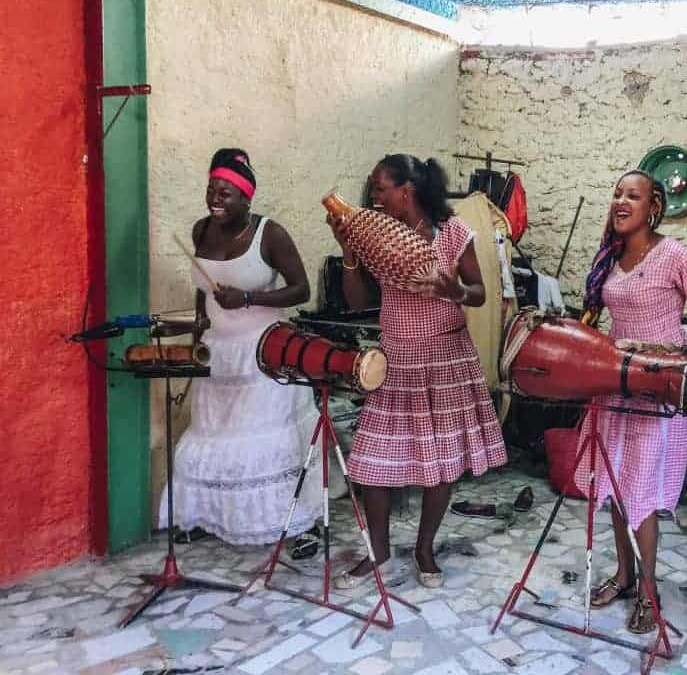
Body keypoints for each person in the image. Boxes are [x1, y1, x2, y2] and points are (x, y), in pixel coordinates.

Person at [327, 153, 507, 589]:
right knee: (370, 463)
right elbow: (355, 302)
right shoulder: (376, 235)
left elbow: (481, 293)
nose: (373, 196)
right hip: (397, 360)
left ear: (406, 190)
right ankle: (380, 549)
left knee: (441, 464)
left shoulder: (451, 232)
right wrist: (348, 251)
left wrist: (455, 289)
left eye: (380, 188)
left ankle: (425, 549)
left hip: (446, 361)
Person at [577, 170, 687, 633]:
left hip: (659, 386)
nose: (621, 202)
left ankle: (649, 593)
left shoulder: (675, 256)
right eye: (617, 194)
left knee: (641, 493)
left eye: (633, 196)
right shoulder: (610, 255)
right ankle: (624, 577)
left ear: (654, 207)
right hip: (614, 384)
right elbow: (595, 320)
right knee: (613, 484)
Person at [160, 148, 322, 555]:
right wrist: (198, 332)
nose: (216, 199)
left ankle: (295, 522)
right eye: (211, 190)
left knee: (263, 440)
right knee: (216, 435)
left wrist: (249, 298)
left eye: (226, 193)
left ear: (247, 198)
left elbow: (302, 289)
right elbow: (203, 290)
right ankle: (212, 516)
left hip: (264, 353)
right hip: (218, 353)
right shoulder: (200, 231)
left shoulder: (271, 233)